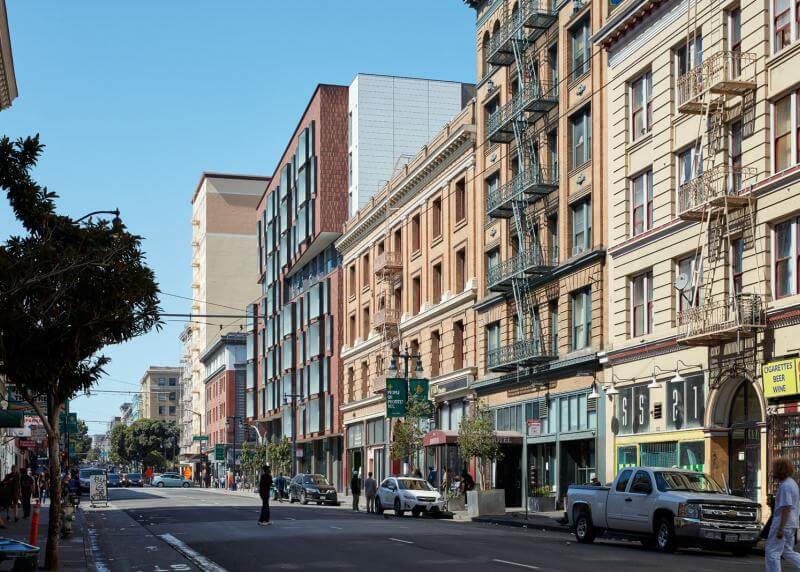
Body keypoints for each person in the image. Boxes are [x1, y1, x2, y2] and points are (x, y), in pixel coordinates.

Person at [766, 458, 800, 571]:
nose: (773, 471)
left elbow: (786, 508)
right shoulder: (792, 484)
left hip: (782, 523)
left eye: (775, 468)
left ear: (780, 470)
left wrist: (780, 528)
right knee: (787, 551)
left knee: (772, 552)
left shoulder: (786, 486)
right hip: (792, 524)